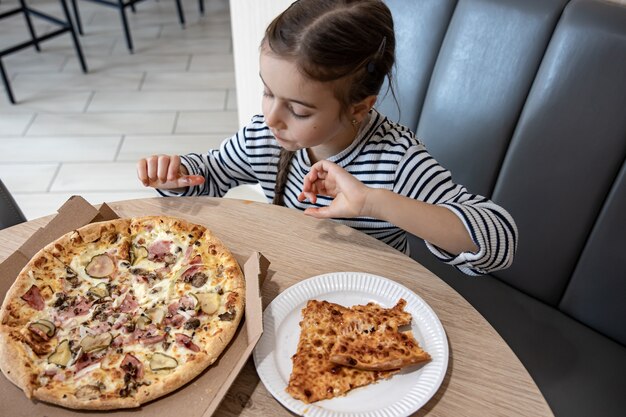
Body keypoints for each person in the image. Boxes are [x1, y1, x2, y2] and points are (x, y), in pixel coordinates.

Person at [136, 0, 517, 275]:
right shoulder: (266, 137)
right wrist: (177, 172)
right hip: (292, 281)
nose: (272, 118)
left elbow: (497, 239)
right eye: (268, 92)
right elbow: (210, 175)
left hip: (369, 308)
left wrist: (374, 203)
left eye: (299, 111)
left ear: (358, 107)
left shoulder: (398, 161)